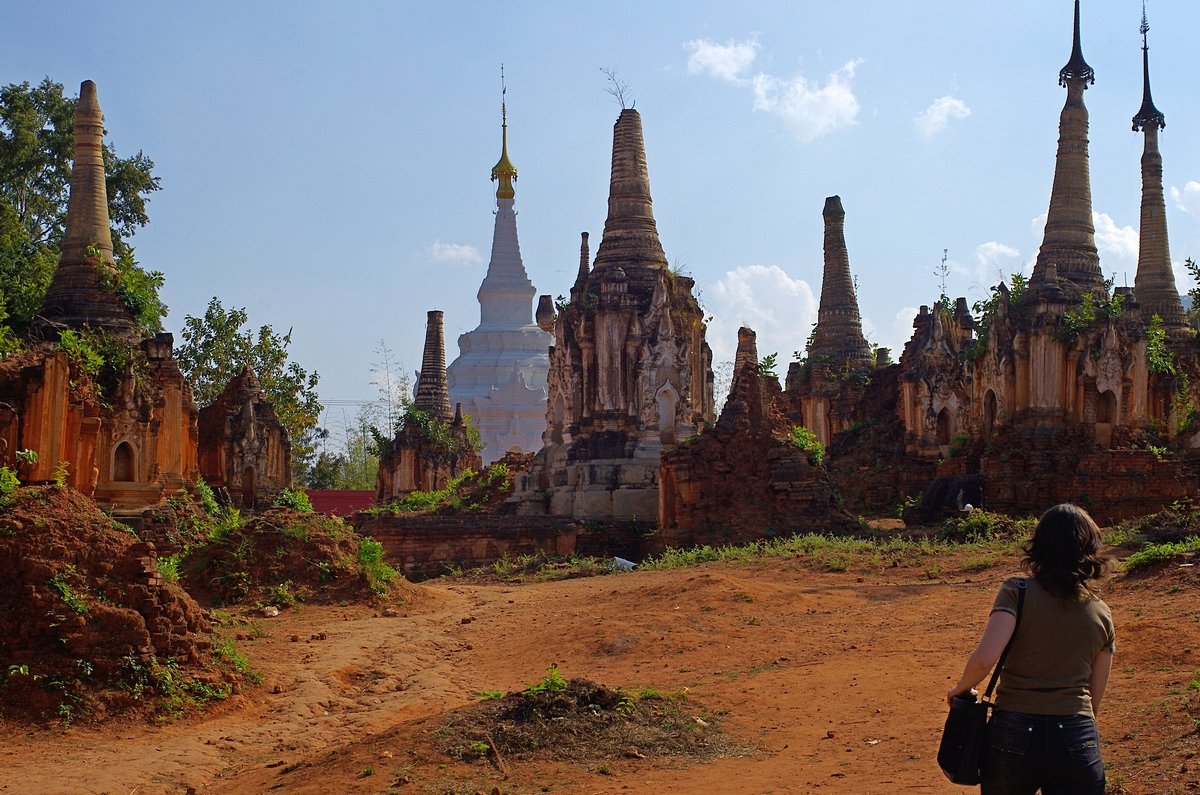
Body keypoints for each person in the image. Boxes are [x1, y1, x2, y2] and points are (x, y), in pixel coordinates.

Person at [947, 503, 1115, 794]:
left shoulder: (1017, 592)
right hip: (1077, 733)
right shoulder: (1101, 612)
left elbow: (986, 658)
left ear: (1039, 545)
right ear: (1090, 551)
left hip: (1013, 730)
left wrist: (961, 690)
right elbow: (1094, 698)